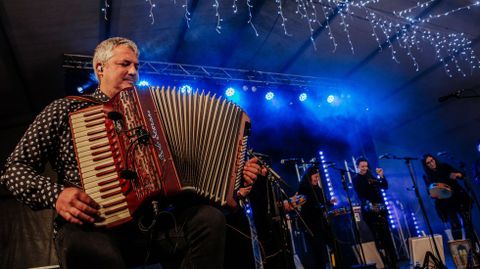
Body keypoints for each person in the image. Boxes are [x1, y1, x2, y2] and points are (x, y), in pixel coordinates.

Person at [0, 37, 264, 269]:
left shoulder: (156, 110)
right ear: (99, 69)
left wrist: (234, 183)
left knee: (208, 220)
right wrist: (57, 195)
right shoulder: (65, 110)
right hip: (93, 224)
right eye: (124, 64)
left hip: (150, 226)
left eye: (137, 66)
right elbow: (14, 169)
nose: (133, 72)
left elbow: (190, 177)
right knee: (94, 252)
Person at [352, 157, 397, 269]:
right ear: (357, 167)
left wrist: (381, 176)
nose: (365, 168)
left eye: (366, 166)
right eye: (362, 166)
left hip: (380, 210)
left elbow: (384, 186)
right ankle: (385, 262)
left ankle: (393, 263)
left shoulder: (370, 175)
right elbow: (360, 195)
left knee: (387, 236)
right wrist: (370, 205)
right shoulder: (356, 179)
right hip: (369, 212)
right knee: (378, 238)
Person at [422, 154, 473, 241]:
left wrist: (458, 175)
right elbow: (430, 192)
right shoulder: (427, 176)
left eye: (432, 160)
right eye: (428, 163)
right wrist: (435, 193)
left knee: (467, 222)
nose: (431, 163)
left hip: (458, 197)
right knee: (455, 225)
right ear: (426, 165)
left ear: (435, 159)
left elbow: (460, 175)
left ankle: (473, 246)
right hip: (446, 203)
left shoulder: (444, 167)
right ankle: (460, 249)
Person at [295, 165, 335, 269]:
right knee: (318, 251)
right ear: (309, 176)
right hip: (310, 225)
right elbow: (305, 205)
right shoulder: (303, 187)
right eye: (315, 177)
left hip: (320, 223)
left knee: (333, 243)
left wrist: (329, 203)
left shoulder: (318, 188)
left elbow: (322, 202)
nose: (317, 179)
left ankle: (335, 264)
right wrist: (319, 206)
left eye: (318, 177)